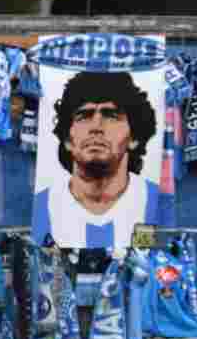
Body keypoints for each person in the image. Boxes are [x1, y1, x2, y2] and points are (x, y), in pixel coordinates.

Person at [32, 70, 160, 250]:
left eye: (111, 115)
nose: (96, 127)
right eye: (84, 116)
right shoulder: (41, 206)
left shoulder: (155, 200)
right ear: (68, 139)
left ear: (134, 137)